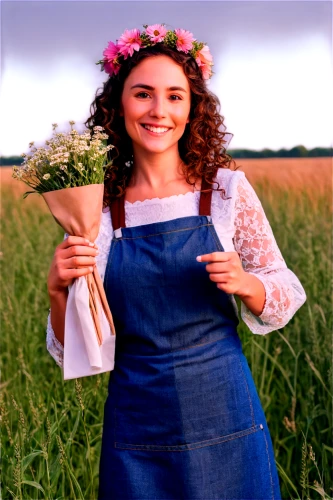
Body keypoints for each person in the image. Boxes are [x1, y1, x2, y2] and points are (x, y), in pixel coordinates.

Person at [46, 24, 306, 500]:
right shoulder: (96, 210)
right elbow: (76, 350)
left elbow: (285, 288)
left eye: (174, 96)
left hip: (227, 417)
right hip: (136, 431)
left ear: (192, 108)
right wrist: (58, 292)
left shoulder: (225, 191)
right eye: (143, 93)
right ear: (117, 104)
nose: (158, 111)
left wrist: (247, 283)